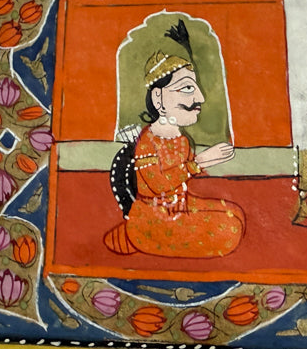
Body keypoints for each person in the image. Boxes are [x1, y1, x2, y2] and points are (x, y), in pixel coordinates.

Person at [104, 22, 245, 257]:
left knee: (235, 213)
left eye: (195, 87)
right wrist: (199, 163)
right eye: (187, 88)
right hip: (154, 220)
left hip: (180, 206)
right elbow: (159, 185)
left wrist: (206, 161)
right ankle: (133, 235)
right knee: (230, 229)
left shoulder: (182, 139)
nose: (199, 97)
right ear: (158, 98)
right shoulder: (148, 142)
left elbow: (183, 175)